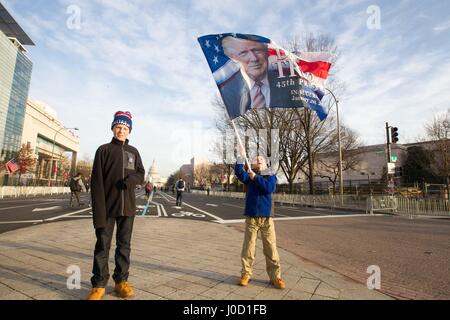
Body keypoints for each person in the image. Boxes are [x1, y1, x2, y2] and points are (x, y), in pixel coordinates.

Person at [87, 111, 145, 300]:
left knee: (124, 246)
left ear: (129, 131)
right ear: (112, 128)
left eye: (125, 128)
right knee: (102, 245)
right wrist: (98, 212)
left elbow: (140, 173)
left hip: (127, 207)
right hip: (107, 207)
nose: (121, 131)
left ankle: (121, 281)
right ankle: (99, 285)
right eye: (118, 127)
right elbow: (96, 183)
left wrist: (130, 181)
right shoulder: (103, 150)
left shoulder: (134, 152)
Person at [234, 147, 285, 290]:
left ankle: (276, 277)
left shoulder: (270, 176)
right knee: (248, 248)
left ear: (266, 164)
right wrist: (240, 157)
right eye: (256, 160)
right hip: (251, 218)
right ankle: (245, 274)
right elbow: (238, 172)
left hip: (267, 218)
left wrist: (256, 178)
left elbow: (269, 189)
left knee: (270, 248)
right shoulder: (249, 176)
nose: (258, 161)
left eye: (261, 159)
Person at [219, 36, 270, 118]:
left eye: (256, 50)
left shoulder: (285, 83)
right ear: (234, 59)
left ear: (266, 53)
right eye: (244, 53)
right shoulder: (231, 94)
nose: (254, 59)